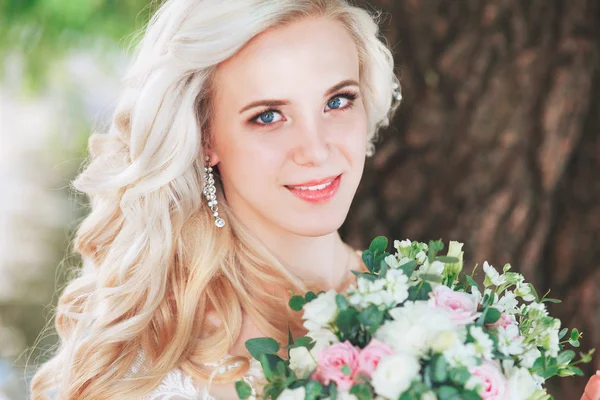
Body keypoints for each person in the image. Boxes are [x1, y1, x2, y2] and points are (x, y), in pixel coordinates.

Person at [29, 0, 600, 399]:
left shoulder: (450, 316)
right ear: (205, 139)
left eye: (337, 101)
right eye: (269, 115)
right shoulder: (146, 366)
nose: (317, 149)